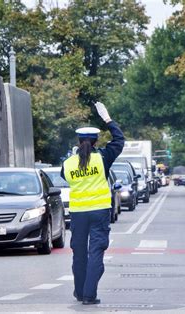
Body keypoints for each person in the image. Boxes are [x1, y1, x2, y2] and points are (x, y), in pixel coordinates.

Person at [60, 102, 124, 305]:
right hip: (99, 212)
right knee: (96, 251)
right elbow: (119, 140)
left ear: (78, 141)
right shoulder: (103, 158)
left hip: (78, 213)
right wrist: (108, 119)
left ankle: (79, 292)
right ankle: (89, 295)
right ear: (96, 141)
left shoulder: (68, 163)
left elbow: (65, 177)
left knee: (79, 253)